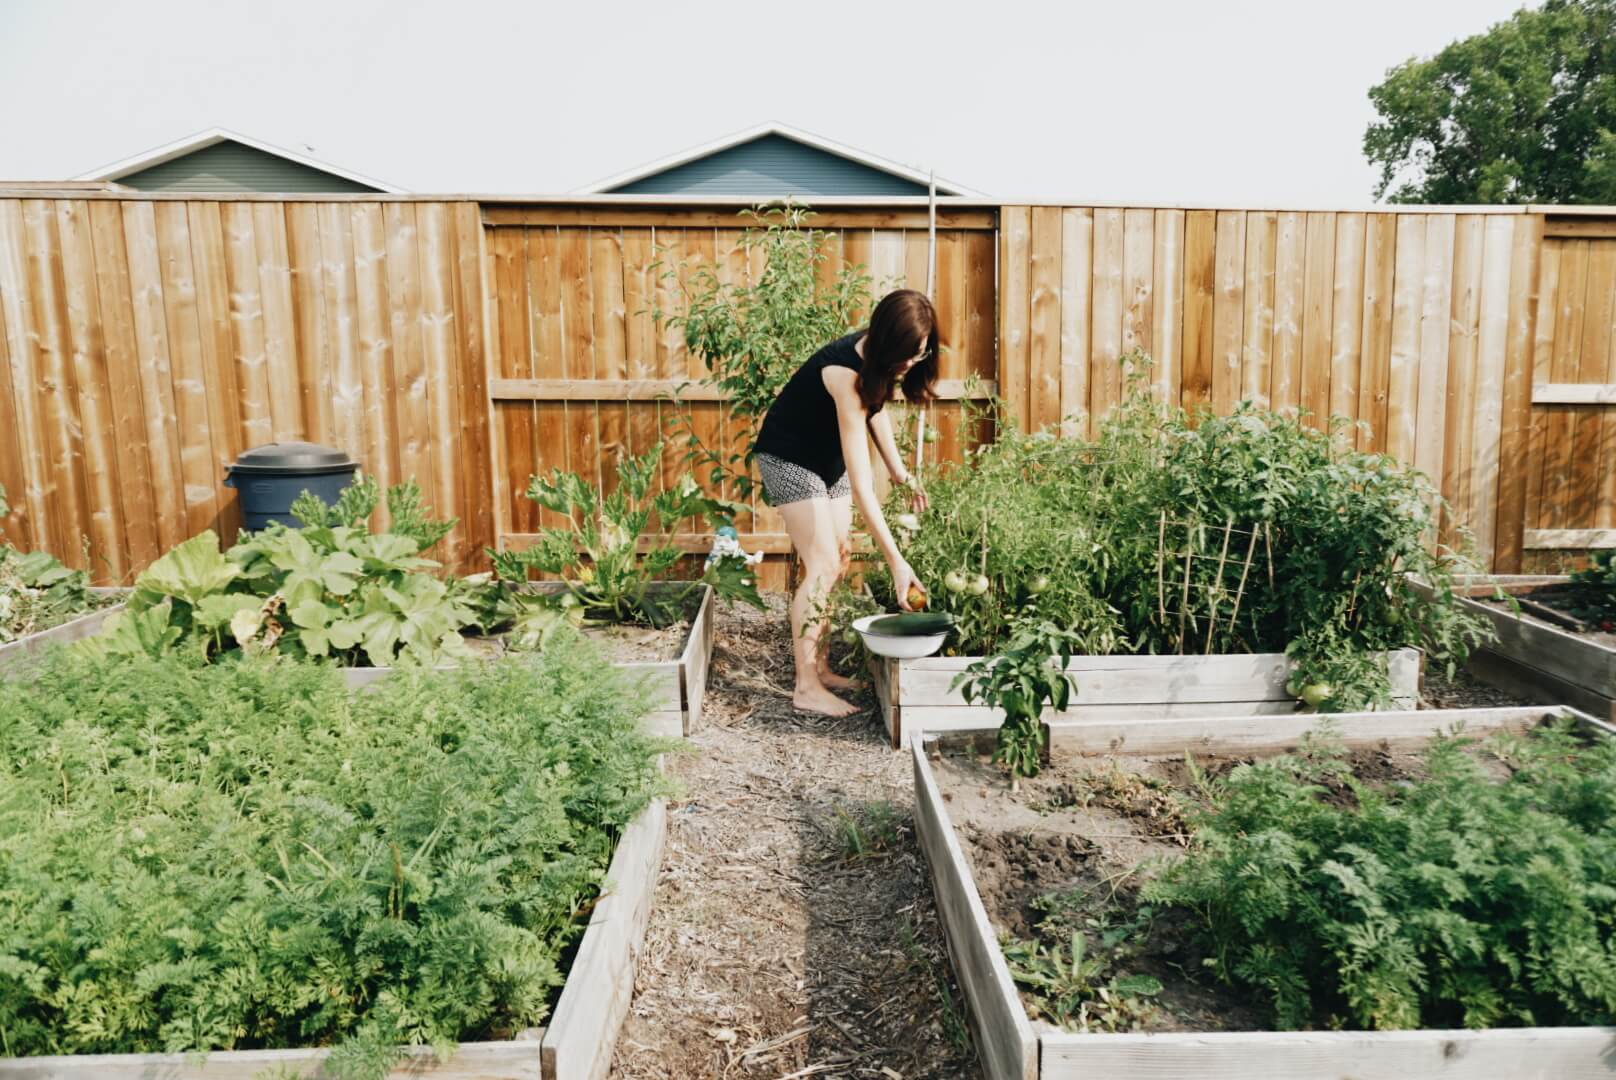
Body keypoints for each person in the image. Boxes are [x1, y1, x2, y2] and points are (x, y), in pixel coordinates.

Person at [752, 289, 938, 716]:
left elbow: (878, 407)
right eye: (908, 355)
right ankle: (806, 687)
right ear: (887, 340)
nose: (912, 364)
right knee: (820, 565)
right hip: (789, 457)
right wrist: (897, 562)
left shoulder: (878, 353)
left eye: (921, 355)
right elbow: (863, 487)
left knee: (838, 557)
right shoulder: (843, 373)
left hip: (824, 459)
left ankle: (821, 666)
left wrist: (899, 469)